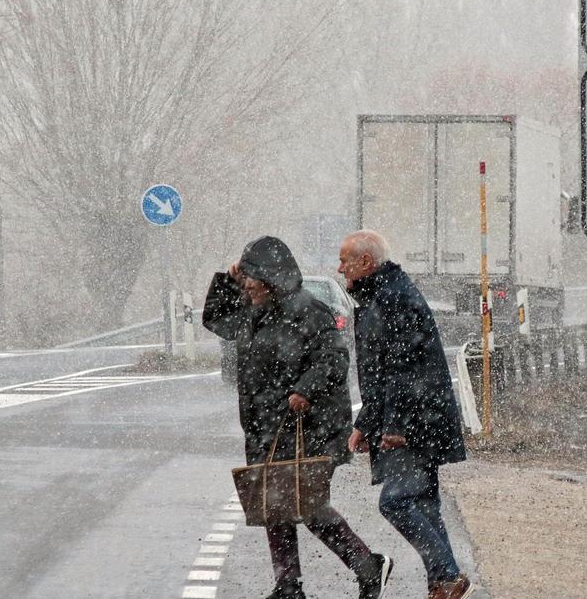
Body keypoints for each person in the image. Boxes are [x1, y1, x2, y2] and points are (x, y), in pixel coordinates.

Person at [201, 235, 392, 599]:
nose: (248, 288)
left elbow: (334, 359)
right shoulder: (254, 308)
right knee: (275, 506)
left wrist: (305, 389)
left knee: (308, 507)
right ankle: (289, 585)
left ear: (271, 279)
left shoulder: (309, 310)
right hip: (266, 427)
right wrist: (227, 281)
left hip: (310, 426)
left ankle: (367, 564)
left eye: (251, 281)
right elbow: (216, 319)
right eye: (245, 282)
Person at [339, 230, 474, 599]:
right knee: (425, 505)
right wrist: (365, 423)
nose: (340, 268)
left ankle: (447, 577)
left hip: (416, 420)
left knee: (396, 502)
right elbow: (380, 372)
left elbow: (401, 369)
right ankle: (442, 584)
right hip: (418, 416)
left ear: (365, 263)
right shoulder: (379, 295)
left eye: (344, 260)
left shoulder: (392, 298)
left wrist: (395, 426)